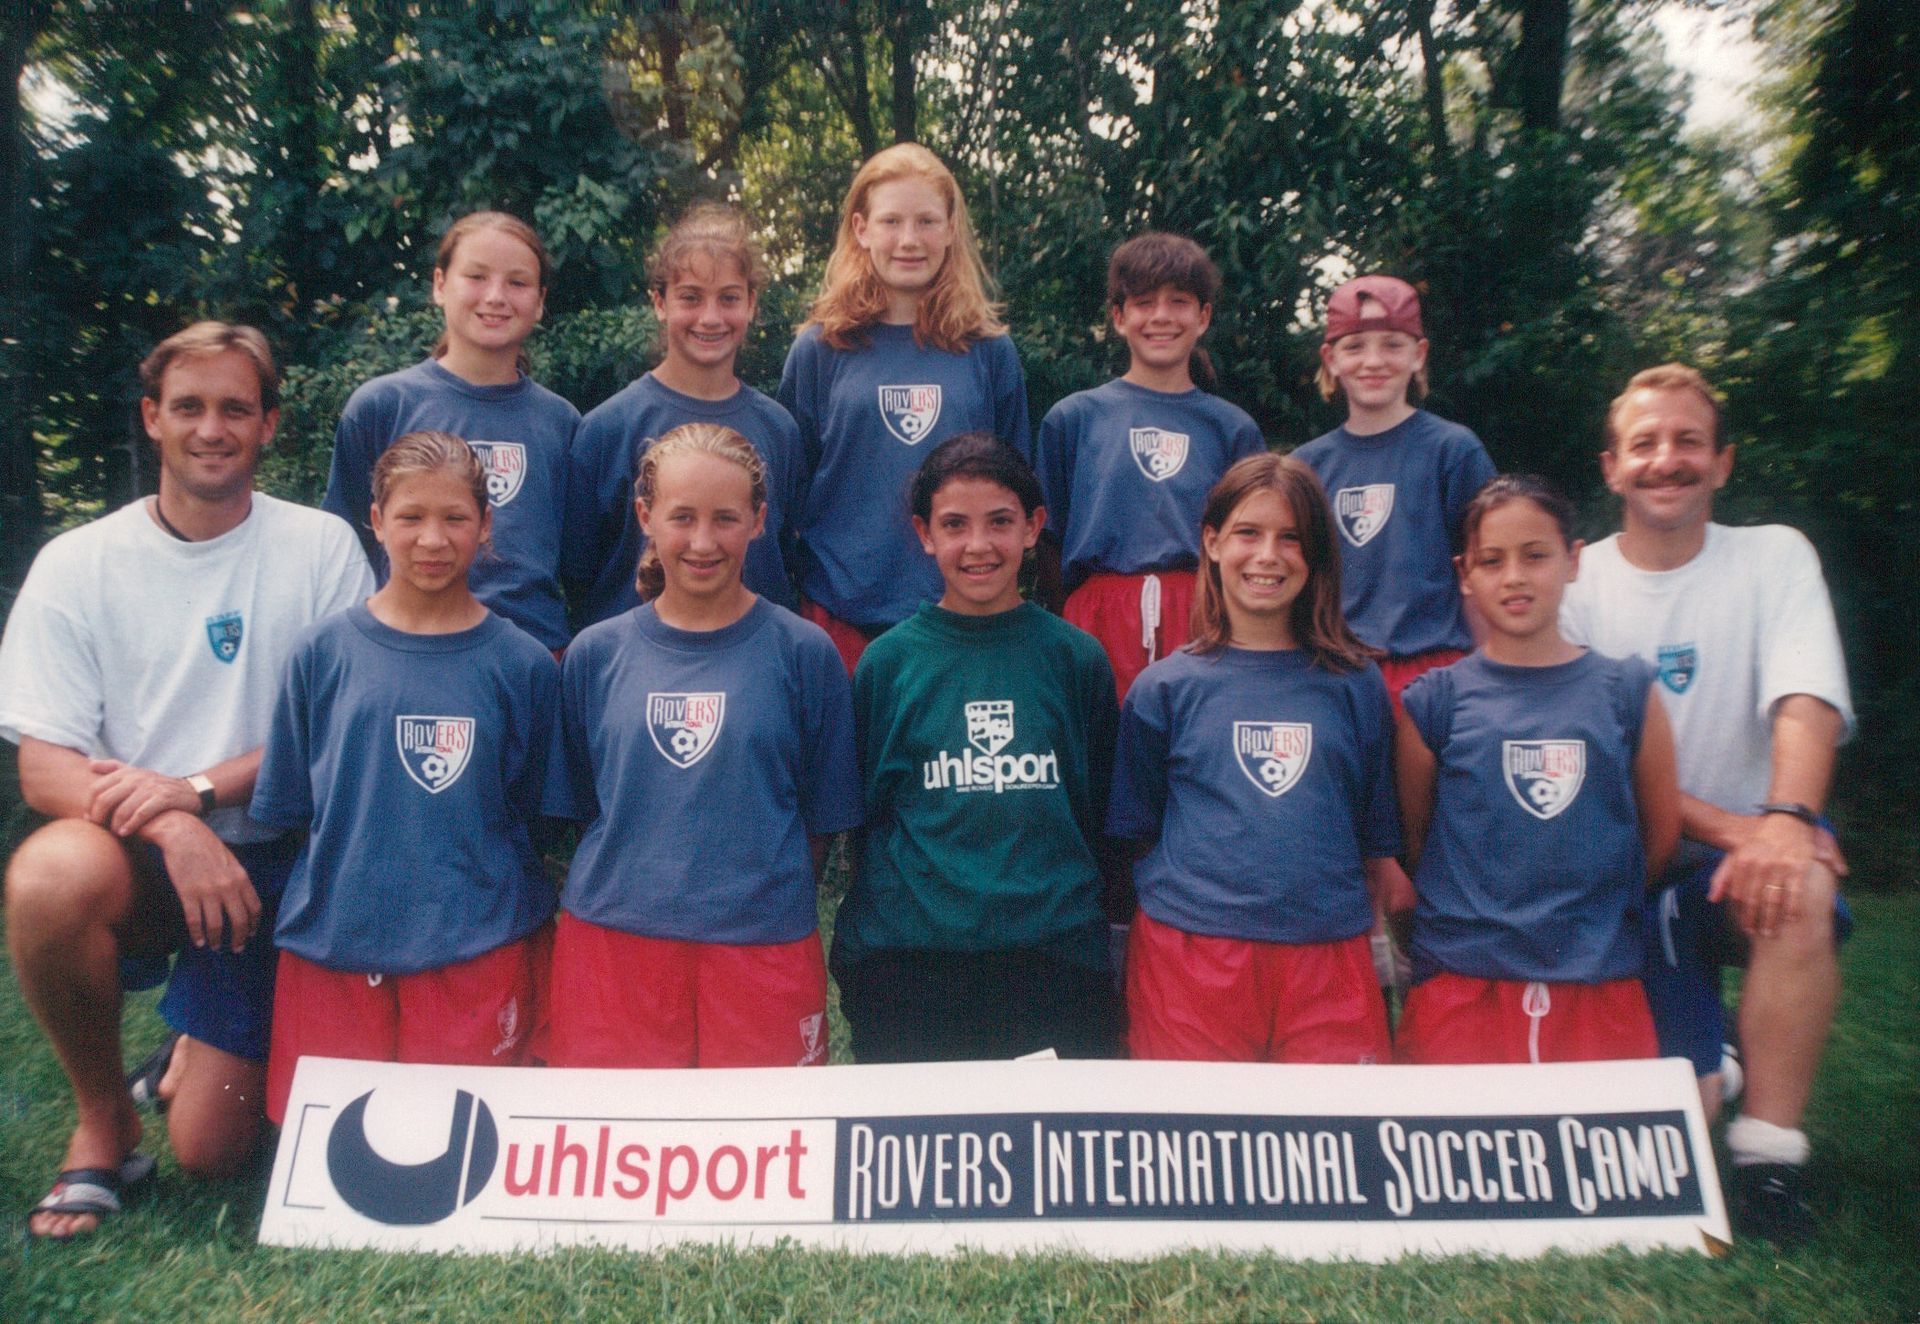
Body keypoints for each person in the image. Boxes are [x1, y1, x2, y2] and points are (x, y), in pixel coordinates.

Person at [0, 323, 372, 1240]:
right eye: (189, 407)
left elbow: (338, 730)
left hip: (282, 861)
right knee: (49, 875)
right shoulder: (78, 563)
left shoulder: (321, 547)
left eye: (235, 409)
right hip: (148, 858)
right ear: (152, 418)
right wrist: (174, 823)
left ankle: (191, 1048)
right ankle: (105, 1126)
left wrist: (197, 792)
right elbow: (43, 764)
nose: (212, 429)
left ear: (269, 424)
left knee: (211, 1152)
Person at [1559, 363, 1853, 1246]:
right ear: (1612, 467)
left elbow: (1807, 702)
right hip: (1631, 863)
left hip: (1749, 856)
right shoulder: (1573, 580)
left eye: (1688, 441)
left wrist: (1788, 822)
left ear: (1722, 462)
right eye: (1644, 443)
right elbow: (1597, 757)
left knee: (1800, 887)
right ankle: (1715, 1049)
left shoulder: (1775, 555)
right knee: (1683, 1117)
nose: (1666, 460)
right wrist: (1743, 829)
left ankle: (1769, 1161)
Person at [251, 432, 559, 1125]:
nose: (432, 539)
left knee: (469, 1142)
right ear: (376, 520)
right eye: (411, 516)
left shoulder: (522, 664)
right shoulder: (320, 653)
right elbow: (296, 807)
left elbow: (533, 814)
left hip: (477, 942)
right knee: (325, 1147)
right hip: (338, 941)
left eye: (455, 518)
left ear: (485, 524)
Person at [544, 423, 861, 1068]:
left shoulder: (804, 652)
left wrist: (748, 894)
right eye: (682, 517)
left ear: (759, 521)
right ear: (645, 516)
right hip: (614, 948)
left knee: (766, 1131)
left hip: (761, 948)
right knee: (617, 1130)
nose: (703, 541)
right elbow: (582, 807)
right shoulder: (596, 654)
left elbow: (822, 818)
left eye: (725, 518)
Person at [833, 433, 1119, 1061]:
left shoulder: (1075, 658)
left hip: (1051, 962)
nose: (979, 545)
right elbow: (867, 818)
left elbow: (1096, 809)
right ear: (924, 533)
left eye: (1000, 522)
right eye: (955, 525)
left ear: (1033, 526)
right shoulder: (888, 663)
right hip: (914, 964)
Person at [1106, 453, 1397, 1064]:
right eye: (1248, 533)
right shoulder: (1164, 689)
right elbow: (1138, 834)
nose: (1268, 555)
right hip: (1192, 957)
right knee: (1194, 1127)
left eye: (1291, 537)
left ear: (1316, 555)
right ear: (1212, 542)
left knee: (1333, 1127)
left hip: (1327, 959)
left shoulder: (1356, 684)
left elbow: (1372, 836)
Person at [1394, 475, 1681, 1065]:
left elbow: (1658, 838)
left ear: (1573, 561)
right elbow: (1416, 845)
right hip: (1462, 986)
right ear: (1464, 574)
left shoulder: (1627, 692)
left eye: (1535, 556)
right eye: (1492, 561)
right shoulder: (1434, 703)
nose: (1514, 577)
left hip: (1598, 985)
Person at [1292, 274, 1495, 996]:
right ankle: (1360, 1007)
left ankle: (1444, 1004)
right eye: (1355, 346)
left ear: (1419, 354)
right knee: (1348, 853)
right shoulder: (1307, 465)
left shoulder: (1452, 450)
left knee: (1433, 853)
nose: (1373, 360)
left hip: (1432, 672)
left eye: (1391, 344)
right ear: (1330, 359)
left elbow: (1482, 568)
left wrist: (1492, 676)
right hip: (1339, 676)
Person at [778, 143, 1031, 672]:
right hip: (841, 614)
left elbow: (1016, 488)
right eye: (891, 221)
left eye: (926, 221)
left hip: (962, 613)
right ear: (861, 229)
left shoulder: (988, 349)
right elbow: (788, 492)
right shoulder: (820, 348)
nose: (909, 240)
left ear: (950, 229)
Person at [323, 211, 578, 653]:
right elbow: (343, 549)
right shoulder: (382, 407)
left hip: (535, 659)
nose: (495, 297)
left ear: (539, 301)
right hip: (409, 653)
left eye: (517, 283)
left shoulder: (562, 422)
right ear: (440, 285)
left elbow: (582, 564)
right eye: (476, 277)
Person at [1035, 232, 1266, 702]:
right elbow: (1047, 539)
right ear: (1119, 317)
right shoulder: (1074, 419)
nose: (1161, 316)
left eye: (1179, 302)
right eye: (1144, 302)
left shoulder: (1232, 429)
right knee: (1099, 741)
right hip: (1097, 619)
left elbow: (1252, 540)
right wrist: (1069, 624)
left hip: (1203, 616)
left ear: (1203, 316)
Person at [567, 203, 803, 625]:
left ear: (751, 304)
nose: (710, 318)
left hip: (754, 655)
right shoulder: (608, 428)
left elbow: (787, 556)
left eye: (728, 298)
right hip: (638, 658)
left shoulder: (778, 428)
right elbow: (579, 571)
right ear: (660, 303)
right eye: (691, 298)